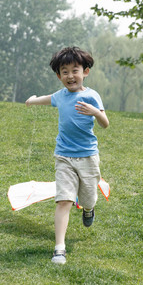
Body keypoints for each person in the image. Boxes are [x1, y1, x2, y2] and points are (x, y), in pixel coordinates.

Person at [25, 46, 109, 264]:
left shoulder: (92, 96)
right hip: (63, 156)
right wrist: (32, 100)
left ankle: (88, 209)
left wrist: (95, 112)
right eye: (65, 71)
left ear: (85, 72)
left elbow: (105, 124)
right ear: (58, 75)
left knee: (88, 197)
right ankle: (59, 249)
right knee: (64, 201)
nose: (70, 76)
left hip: (88, 156)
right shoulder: (60, 96)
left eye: (75, 70)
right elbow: (47, 99)